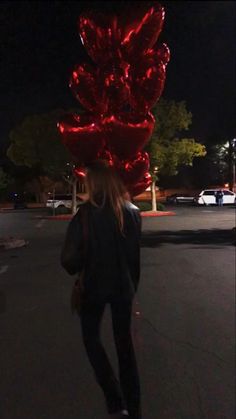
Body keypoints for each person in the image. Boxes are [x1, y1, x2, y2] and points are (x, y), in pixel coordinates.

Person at [61, 161, 142, 419]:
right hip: (123, 288)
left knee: (91, 339)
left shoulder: (84, 214)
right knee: (125, 347)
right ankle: (134, 407)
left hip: (93, 287)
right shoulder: (132, 212)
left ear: (93, 183)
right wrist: (131, 288)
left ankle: (115, 401)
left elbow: (69, 261)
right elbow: (134, 259)